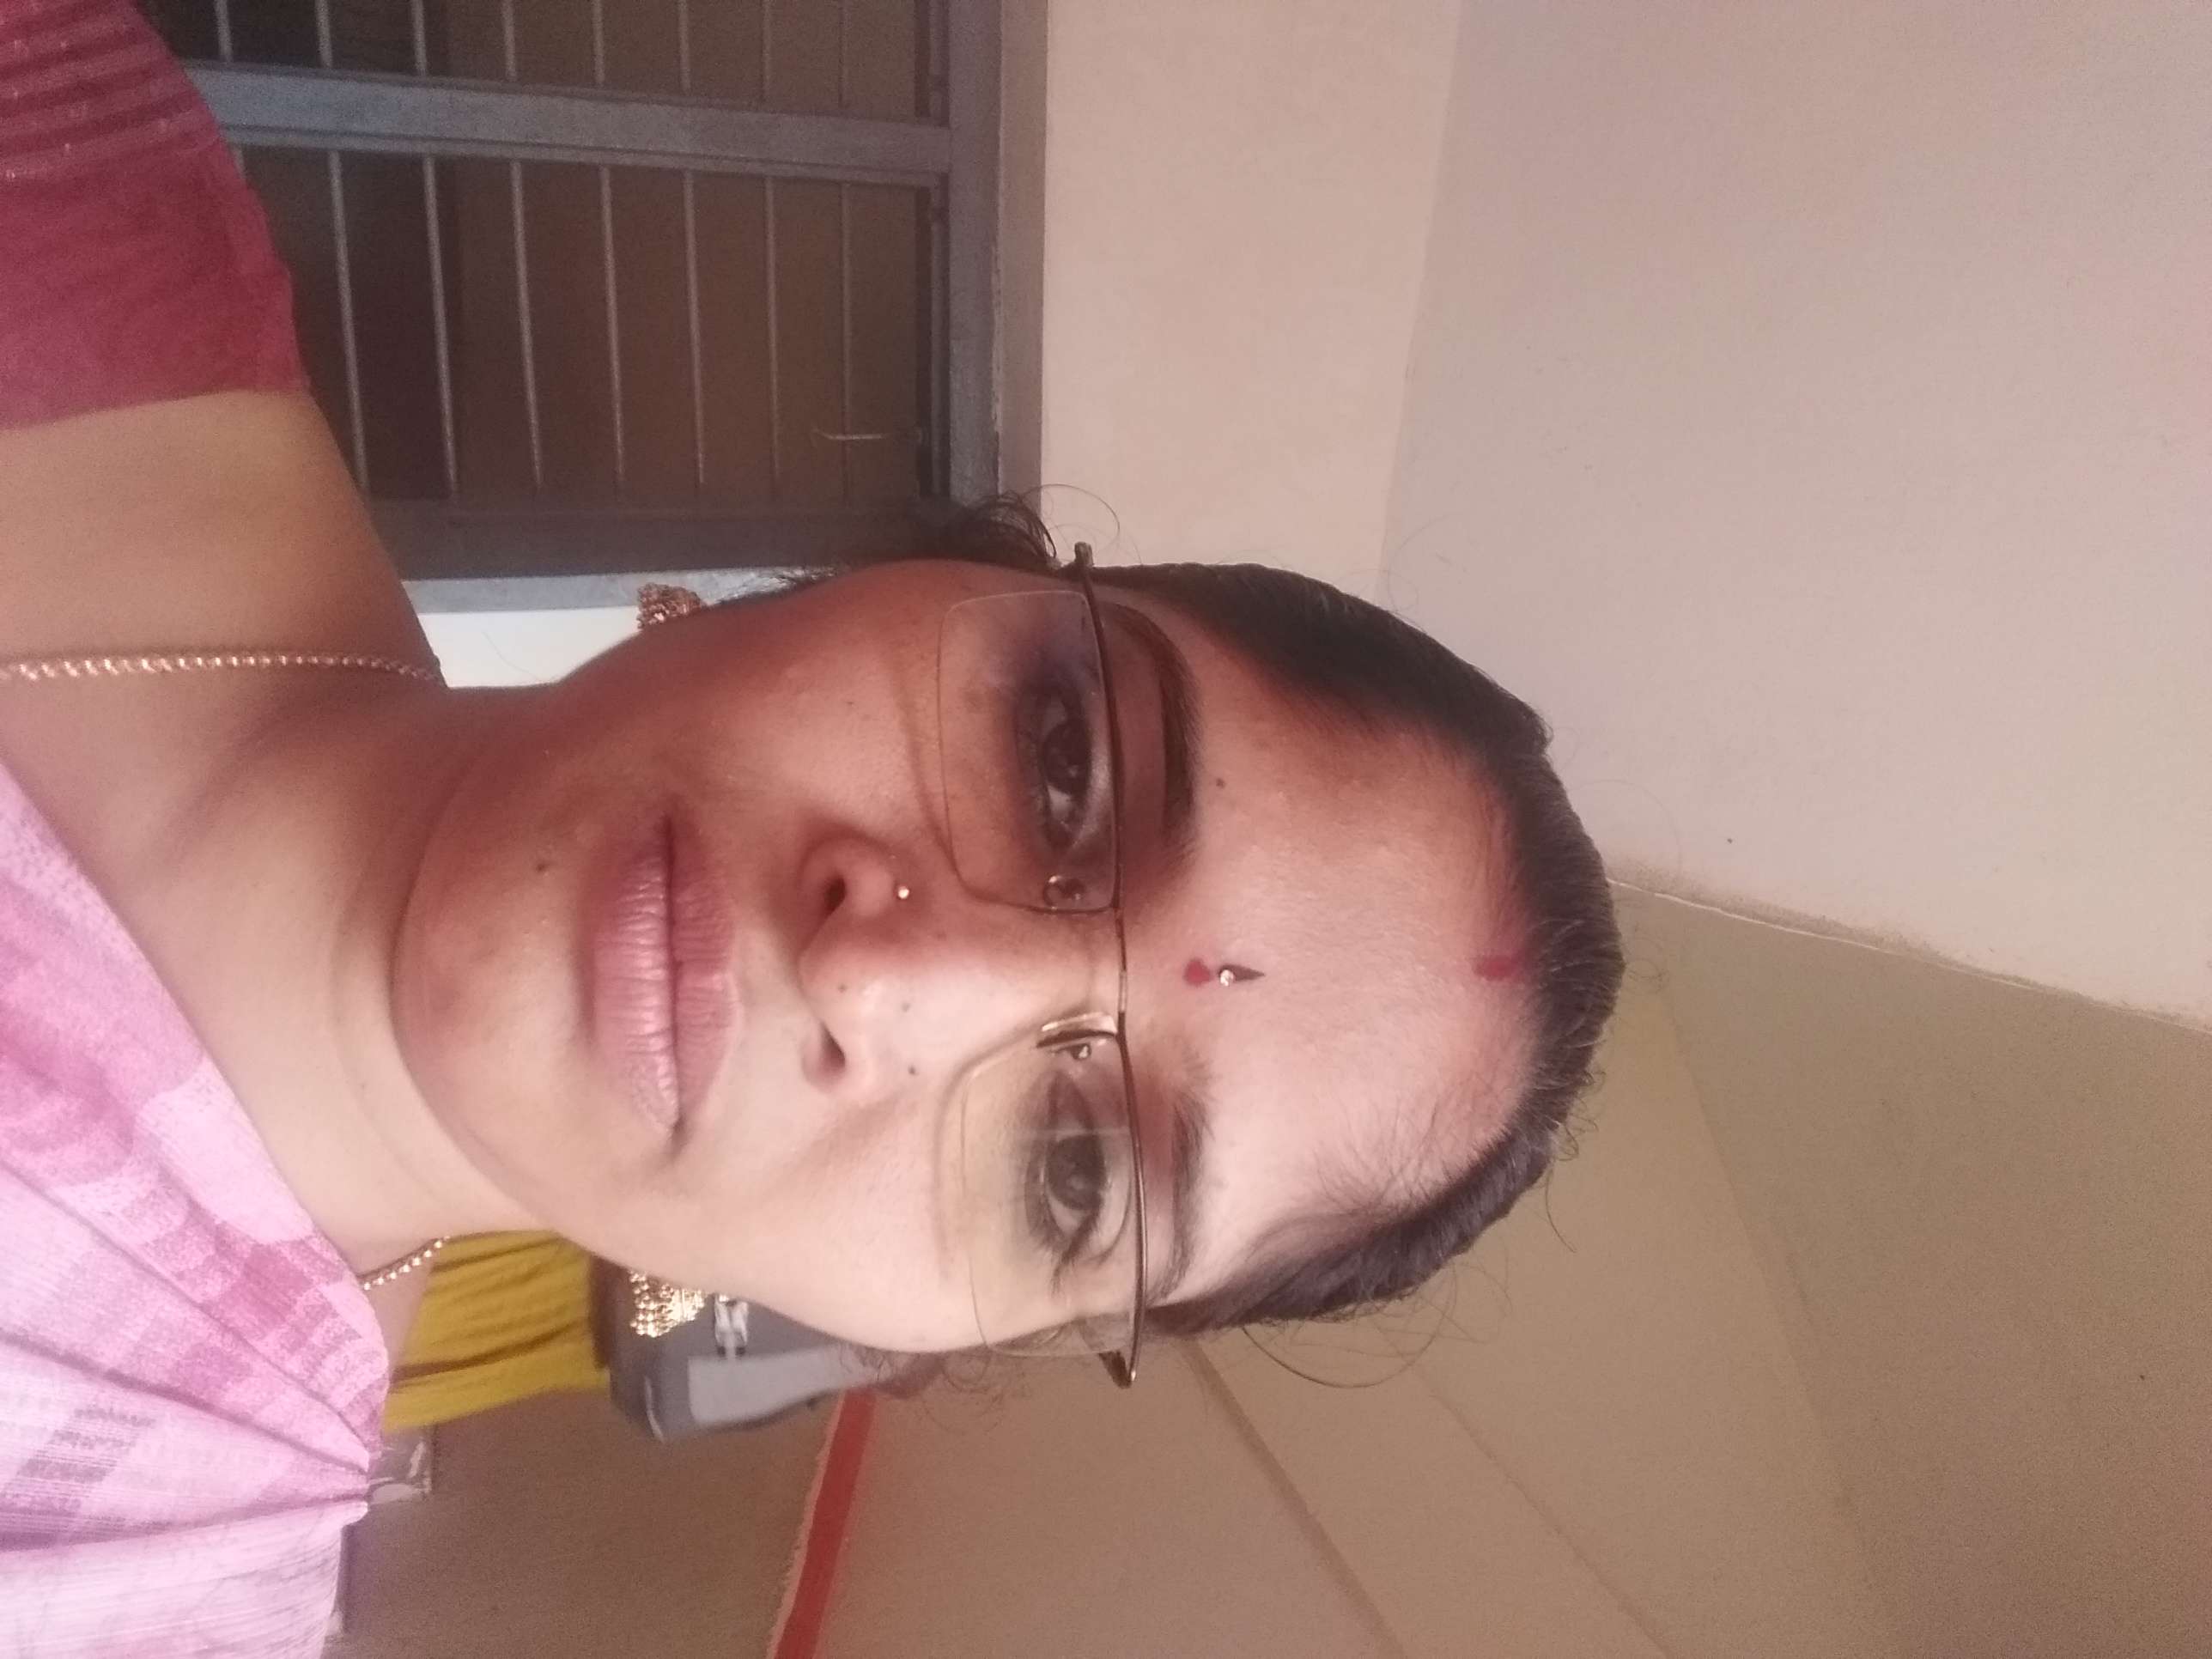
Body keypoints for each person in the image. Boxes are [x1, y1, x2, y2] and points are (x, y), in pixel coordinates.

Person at [0, 1, 1622, 1652]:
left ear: (923, 1338)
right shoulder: (48, 132)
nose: (890, 978)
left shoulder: (131, 1574)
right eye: (1059, 761)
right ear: (929, 566)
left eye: (1074, 1169)